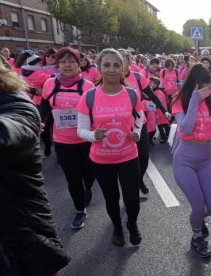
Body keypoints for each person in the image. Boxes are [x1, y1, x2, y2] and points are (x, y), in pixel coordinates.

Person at [0, 63, 70, 275]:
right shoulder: (50, 82)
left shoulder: (16, 104)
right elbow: (47, 104)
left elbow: (9, 130)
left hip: (21, 246)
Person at [77, 48, 144, 246]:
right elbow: (80, 129)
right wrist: (91, 135)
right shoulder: (89, 96)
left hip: (128, 155)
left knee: (132, 199)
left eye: (116, 65)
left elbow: (140, 119)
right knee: (112, 199)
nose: (112, 69)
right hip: (101, 159)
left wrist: (138, 132)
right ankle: (117, 227)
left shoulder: (132, 94)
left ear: (123, 68)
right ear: (99, 68)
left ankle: (132, 224)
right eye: (106, 65)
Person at [171, 64, 211, 258]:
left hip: (205, 160)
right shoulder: (180, 100)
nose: (209, 90)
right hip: (184, 160)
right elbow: (187, 129)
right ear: (194, 86)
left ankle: (197, 220)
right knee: (198, 206)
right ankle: (197, 236)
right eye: (204, 87)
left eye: (210, 85)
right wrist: (192, 102)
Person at [40, 47, 96, 230]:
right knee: (72, 178)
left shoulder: (88, 86)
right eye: (63, 61)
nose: (67, 65)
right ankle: (80, 210)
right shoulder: (50, 84)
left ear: (79, 64)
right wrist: (40, 121)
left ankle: (88, 187)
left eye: (72, 61)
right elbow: (44, 107)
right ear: (58, 65)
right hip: (63, 141)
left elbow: (95, 112)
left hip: (86, 140)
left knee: (89, 174)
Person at [118, 49, 171, 195]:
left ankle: (139, 179)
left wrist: (164, 110)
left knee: (143, 156)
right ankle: (131, 185)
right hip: (120, 126)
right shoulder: (111, 79)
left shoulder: (138, 77)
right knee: (126, 160)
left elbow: (152, 96)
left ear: (129, 62)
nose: (120, 64)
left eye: (123, 60)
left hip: (139, 122)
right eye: (118, 61)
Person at [150, 77, 170, 144]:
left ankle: (164, 137)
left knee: (161, 125)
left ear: (155, 84)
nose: (150, 84)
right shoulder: (158, 91)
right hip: (162, 111)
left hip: (160, 112)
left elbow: (159, 102)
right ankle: (168, 136)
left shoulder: (157, 92)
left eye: (151, 83)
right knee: (165, 123)